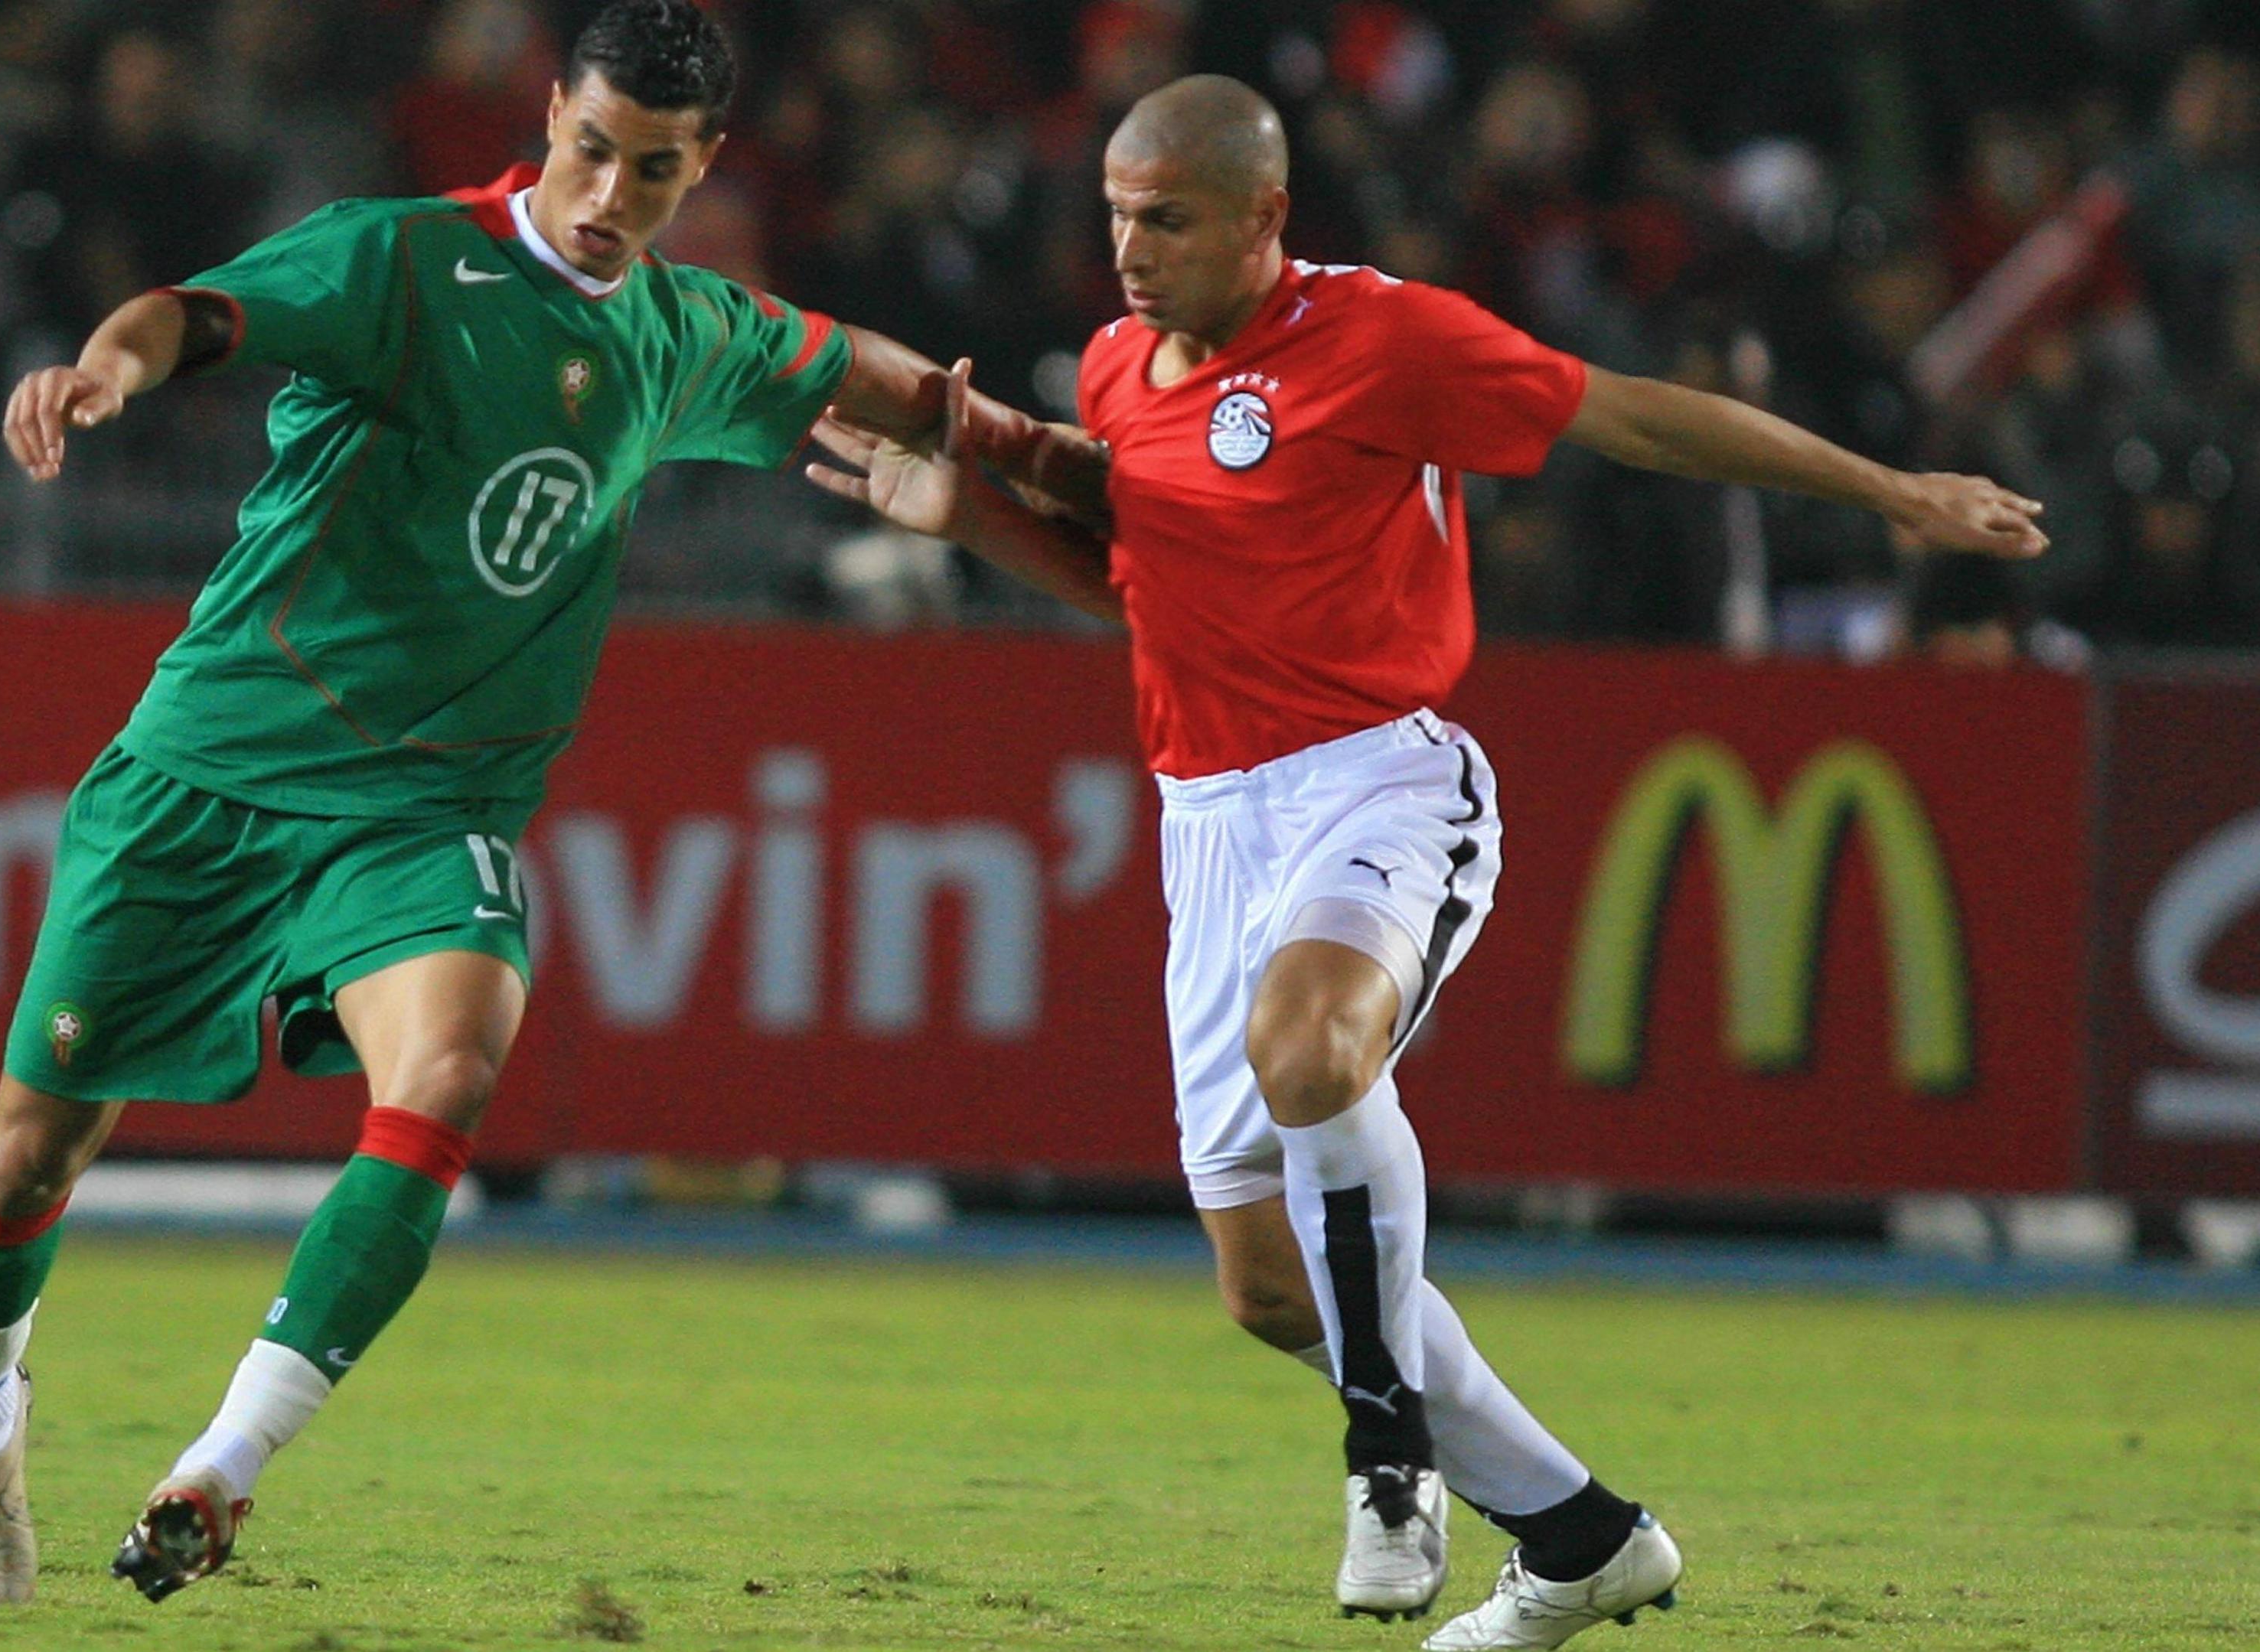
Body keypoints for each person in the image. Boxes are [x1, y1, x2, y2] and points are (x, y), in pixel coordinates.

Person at [807, 73, 2043, 1652]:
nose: (1130, 250)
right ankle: (1584, 1539)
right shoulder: (1118, 372)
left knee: (1312, 1046)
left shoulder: (1385, 339)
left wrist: (1893, 497)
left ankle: (1388, 1458)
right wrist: (969, 518)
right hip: (1208, 820)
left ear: (1265, 217)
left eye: (1168, 218)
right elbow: (1149, 593)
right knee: (1267, 1288)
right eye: (1119, 215)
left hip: (1381, 780)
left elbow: (1637, 414)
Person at [0, 0, 1094, 1608]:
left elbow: (861, 371)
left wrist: (1038, 452)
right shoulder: (400, 259)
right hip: (210, 776)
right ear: (550, 113)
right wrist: (101, 373)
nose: (613, 195)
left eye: (657, 170)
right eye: (594, 150)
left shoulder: (681, 333)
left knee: (453, 1071)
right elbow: (192, 316)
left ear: (708, 166)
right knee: (30, 1159)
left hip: (425, 813)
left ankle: (223, 1469)